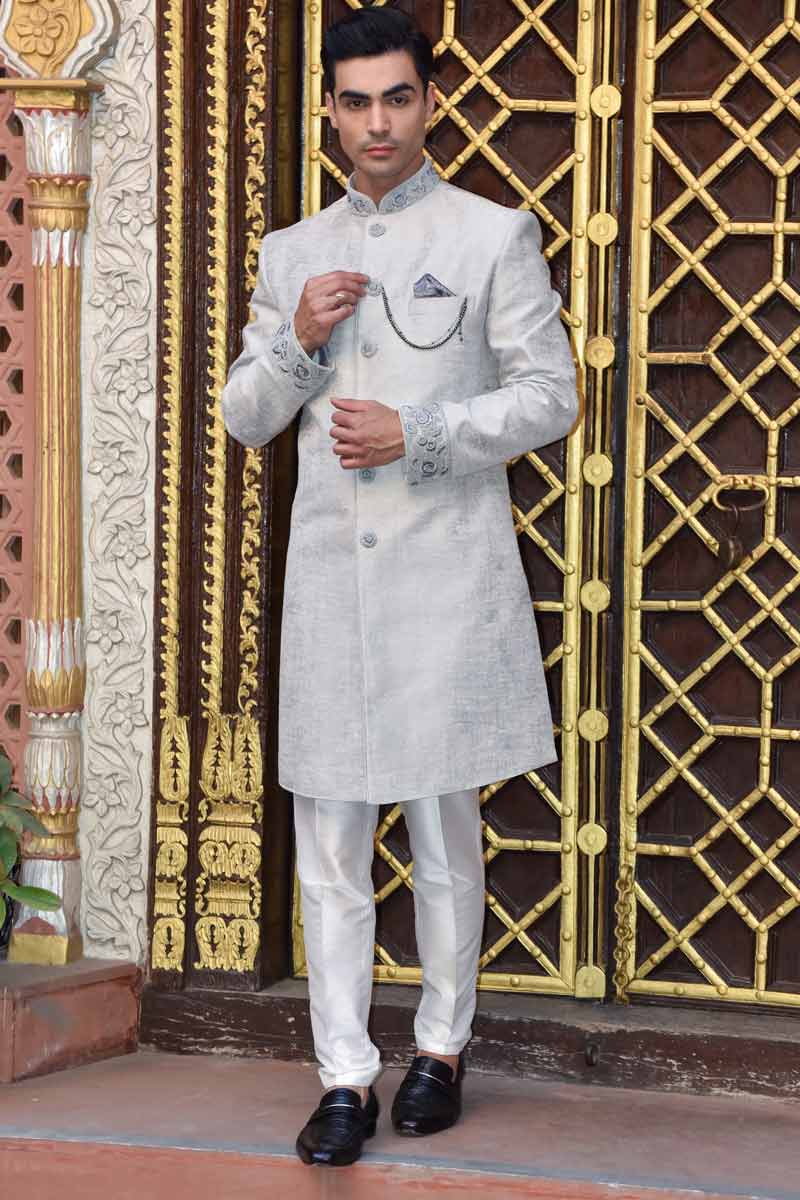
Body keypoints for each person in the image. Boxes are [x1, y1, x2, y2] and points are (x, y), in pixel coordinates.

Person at [221, 7, 578, 1169]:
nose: (376, 121)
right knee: (327, 844)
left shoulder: (489, 234)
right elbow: (244, 416)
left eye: (396, 97)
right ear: (329, 112)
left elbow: (550, 396)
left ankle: (438, 1050)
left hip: (443, 581)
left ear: (428, 101)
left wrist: (418, 432)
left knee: (439, 834)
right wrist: (295, 340)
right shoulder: (291, 253)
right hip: (332, 589)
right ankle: (342, 1076)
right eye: (354, 100)